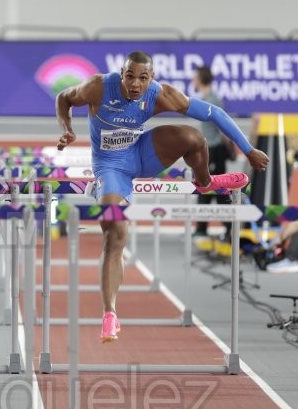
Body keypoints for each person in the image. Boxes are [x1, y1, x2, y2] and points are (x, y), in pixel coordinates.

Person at [55, 51, 269, 343]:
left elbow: (214, 114)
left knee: (194, 138)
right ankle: (110, 314)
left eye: (143, 78)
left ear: (151, 79)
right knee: (114, 232)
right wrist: (67, 129)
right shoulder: (98, 86)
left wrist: (248, 149)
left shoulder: (160, 95)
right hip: (110, 166)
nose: (134, 84)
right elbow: (63, 98)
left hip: (142, 154)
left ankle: (204, 182)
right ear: (122, 73)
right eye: (130, 76)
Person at [192, 66, 234, 239]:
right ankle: (202, 229)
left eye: (195, 77)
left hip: (215, 151)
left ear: (201, 79)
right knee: (205, 187)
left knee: (219, 190)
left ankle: (230, 229)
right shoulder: (206, 99)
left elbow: (223, 128)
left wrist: (230, 147)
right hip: (208, 150)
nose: (193, 80)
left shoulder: (213, 100)